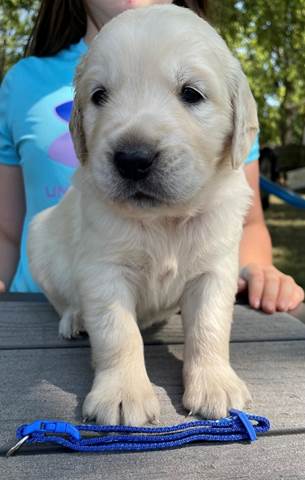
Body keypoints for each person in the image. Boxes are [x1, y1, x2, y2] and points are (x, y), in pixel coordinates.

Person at [0, 0, 304, 315]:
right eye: (100, 96)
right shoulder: (23, 82)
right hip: (35, 310)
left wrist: (257, 267)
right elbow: (6, 233)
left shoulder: (218, 69)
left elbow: (249, 222)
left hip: (170, 318)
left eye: (190, 94)